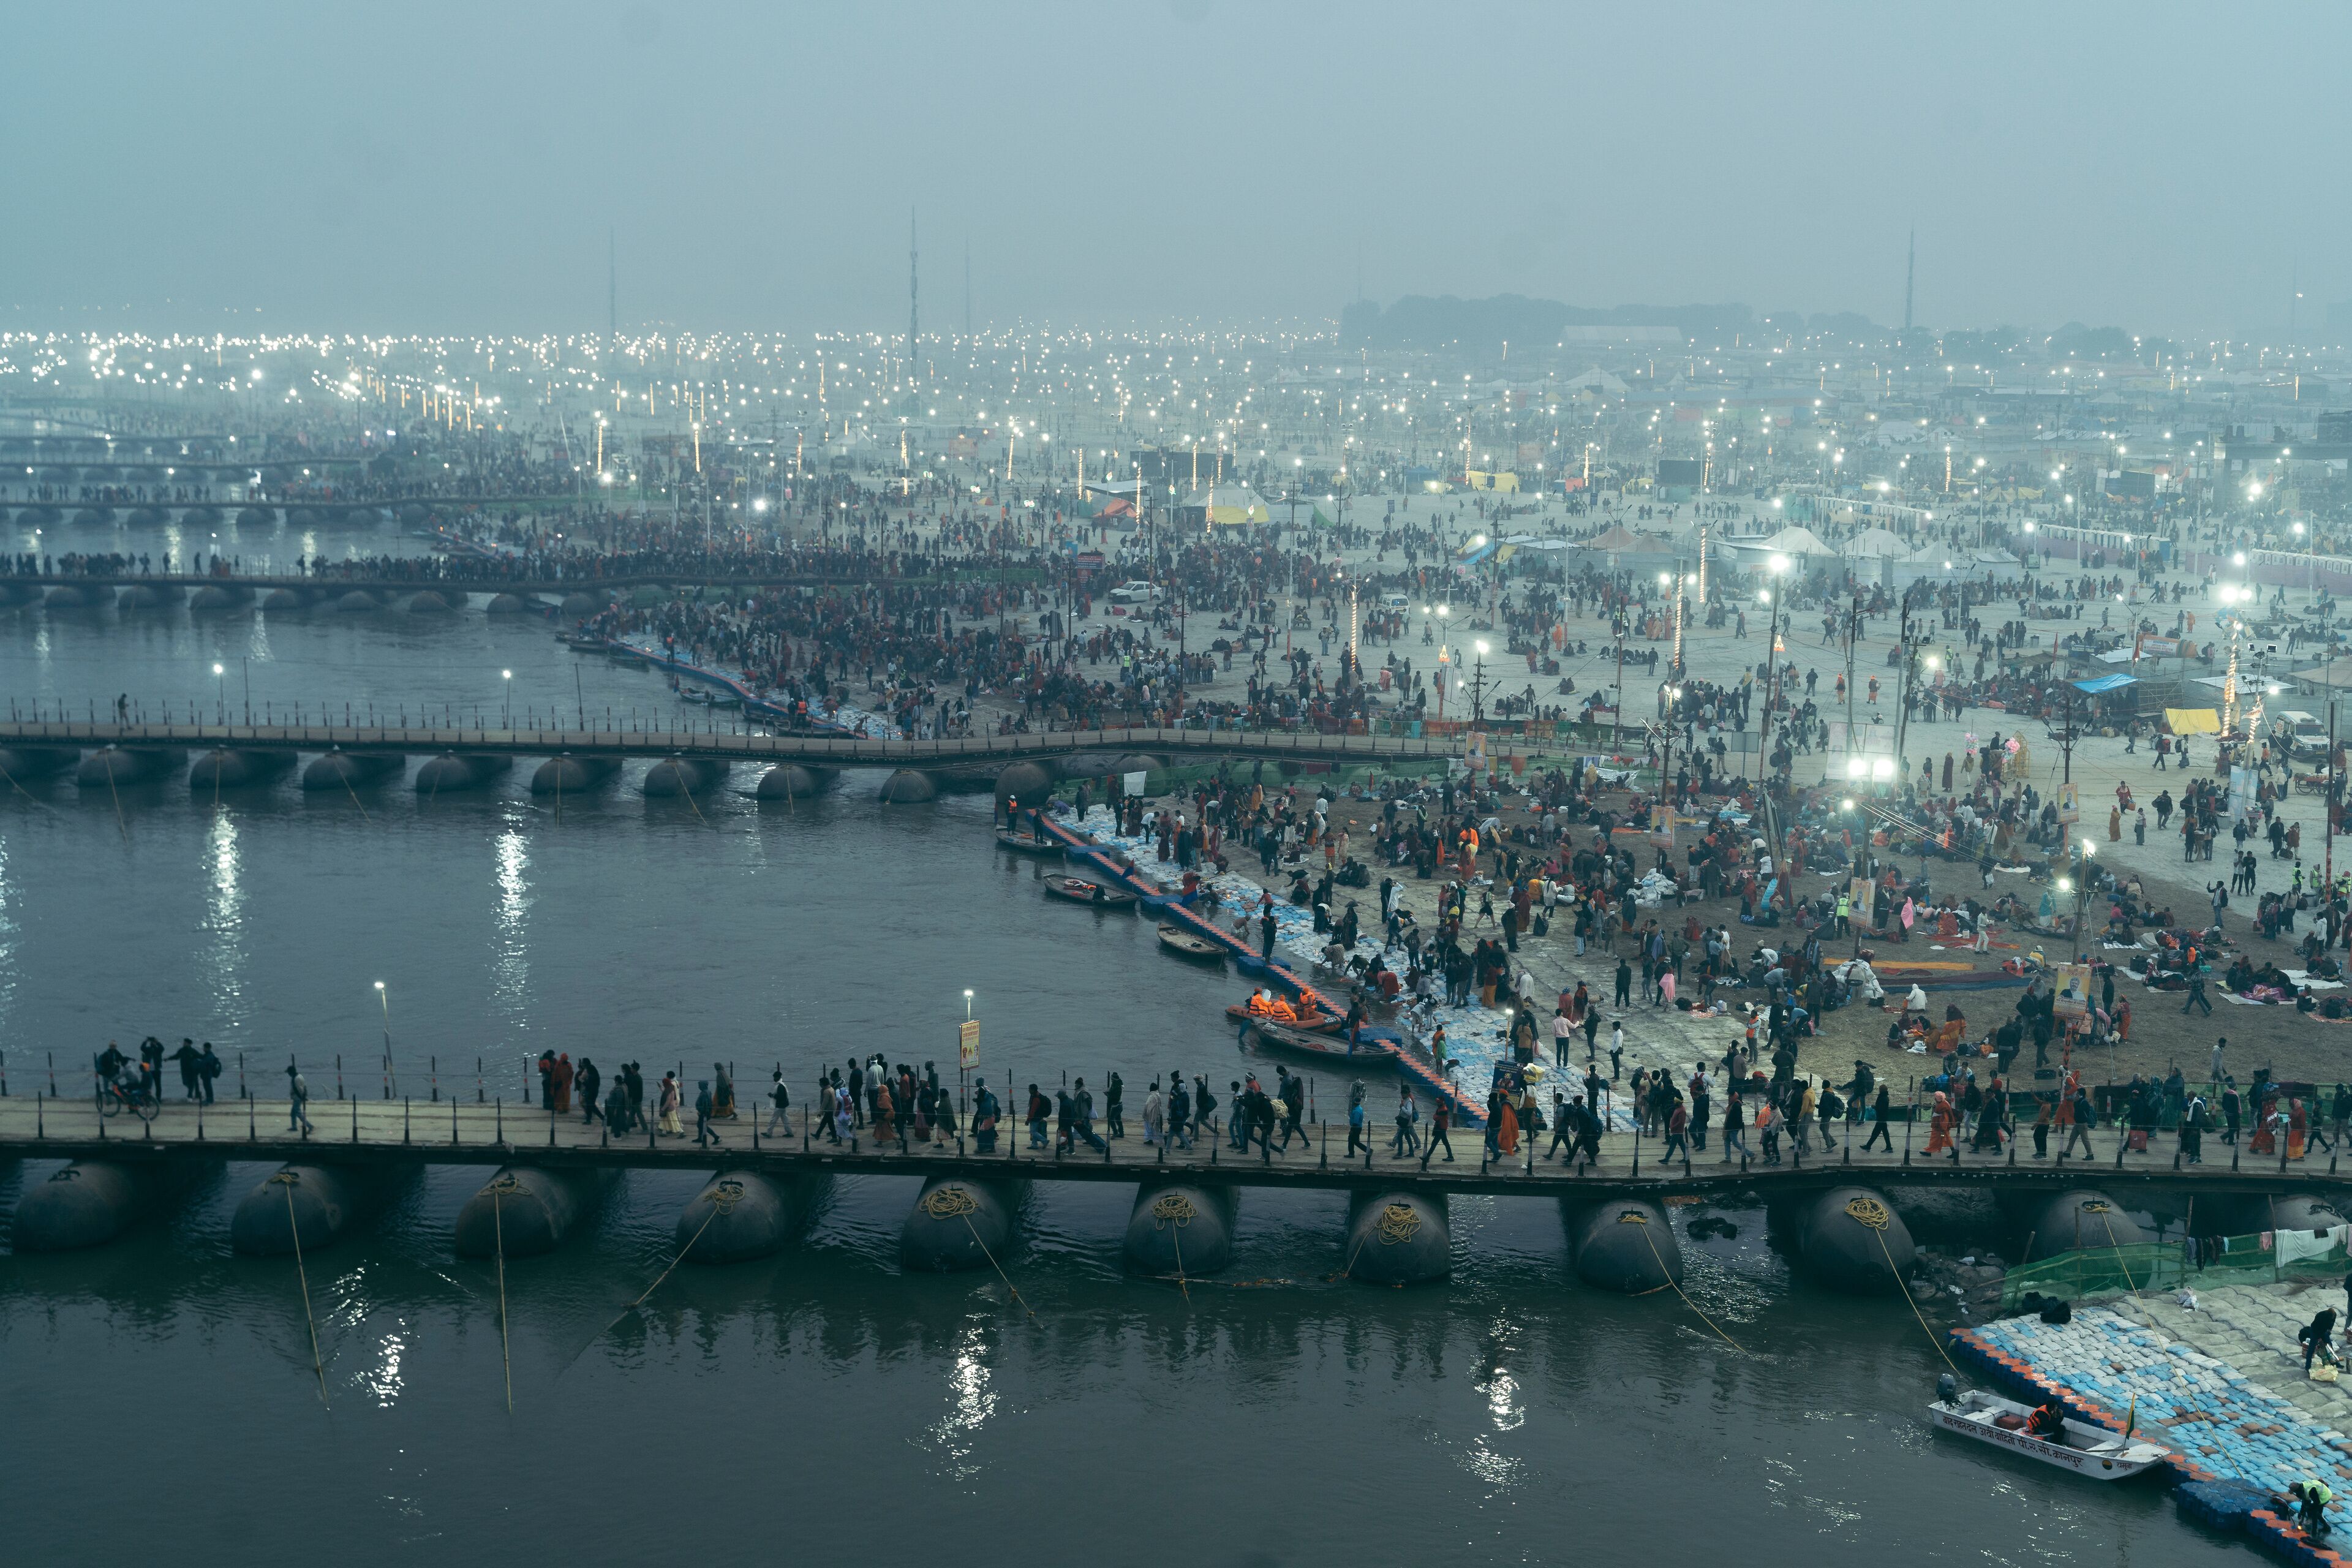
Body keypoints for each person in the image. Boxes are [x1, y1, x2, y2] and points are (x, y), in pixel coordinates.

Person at [2301, 1307, 2340, 1371]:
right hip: (2315, 1331)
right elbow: (2316, 1328)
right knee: (2311, 1349)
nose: (2332, 1318)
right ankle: (2308, 1367)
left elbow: (2333, 1322)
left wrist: (2330, 1330)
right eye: (2331, 1317)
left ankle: (2334, 1362)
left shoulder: (2334, 1315)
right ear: (2328, 1315)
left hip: (2324, 1331)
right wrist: (2319, 1339)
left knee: (2330, 1346)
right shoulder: (2320, 1316)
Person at [972, 1077, 1000, 1153]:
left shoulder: (985, 1102)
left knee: (981, 1133)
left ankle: (980, 1148)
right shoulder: (988, 1097)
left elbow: (985, 1110)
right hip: (991, 1117)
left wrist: (981, 1115)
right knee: (990, 1133)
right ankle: (991, 1148)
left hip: (987, 1117)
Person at [285, 1062, 315, 1134]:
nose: (288, 1074)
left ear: (291, 1072)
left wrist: (302, 1098)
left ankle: (310, 1126)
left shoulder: (296, 1079)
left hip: (297, 1098)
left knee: (299, 1114)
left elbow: (298, 1089)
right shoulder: (300, 1076)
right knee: (293, 1113)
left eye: (289, 1072)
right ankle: (294, 1127)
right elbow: (303, 1087)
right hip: (298, 1097)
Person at [694, 1080, 721, 1147]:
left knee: (702, 1126)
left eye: (699, 1085)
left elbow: (705, 1104)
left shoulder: (704, 1094)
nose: (698, 1087)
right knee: (700, 1125)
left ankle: (715, 1136)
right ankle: (700, 1138)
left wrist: (701, 1112)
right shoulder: (708, 1092)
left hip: (704, 1112)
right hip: (707, 1112)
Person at [766, 1070, 791, 1137]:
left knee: (773, 1120)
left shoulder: (780, 1086)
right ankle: (790, 1133)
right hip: (783, 1105)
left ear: (778, 1077)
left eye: (775, 1077)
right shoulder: (782, 1085)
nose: (774, 1079)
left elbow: (780, 1096)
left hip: (780, 1106)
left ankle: (769, 1133)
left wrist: (772, 1095)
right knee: (785, 1120)